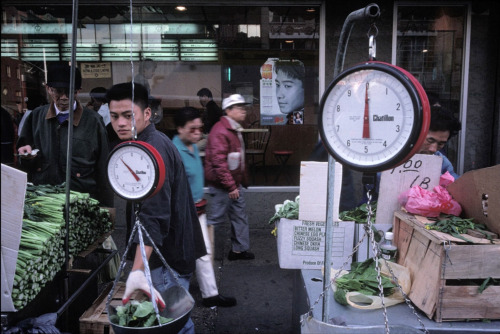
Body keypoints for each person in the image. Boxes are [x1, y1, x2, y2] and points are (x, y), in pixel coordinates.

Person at [106, 82, 206, 333]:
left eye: (128, 115)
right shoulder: (148, 142)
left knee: (170, 325)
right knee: (178, 322)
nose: (120, 123)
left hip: (165, 260)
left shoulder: (153, 150)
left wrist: (138, 270)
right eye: (114, 116)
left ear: (147, 114)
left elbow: (154, 216)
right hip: (173, 252)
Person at [17, 62, 113, 207]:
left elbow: (104, 169)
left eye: (69, 92)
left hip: (82, 203)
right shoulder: (36, 117)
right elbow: (23, 162)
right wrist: (26, 157)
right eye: (58, 91)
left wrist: (107, 208)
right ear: (49, 89)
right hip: (45, 202)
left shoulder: (93, 121)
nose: (63, 97)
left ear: (77, 91)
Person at [173, 106, 237, 308]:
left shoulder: (192, 146)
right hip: (184, 213)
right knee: (192, 254)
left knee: (203, 252)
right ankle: (180, 300)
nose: (198, 133)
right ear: (179, 129)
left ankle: (209, 295)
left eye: (199, 128)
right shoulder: (175, 152)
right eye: (192, 129)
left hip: (197, 210)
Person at [204, 94, 254, 261]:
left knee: (239, 216)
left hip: (233, 184)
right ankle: (202, 252)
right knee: (215, 219)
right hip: (222, 186)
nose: (243, 111)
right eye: (239, 108)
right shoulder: (221, 131)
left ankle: (239, 250)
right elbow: (219, 162)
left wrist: (237, 184)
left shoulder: (233, 128)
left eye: (243, 107)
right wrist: (231, 186)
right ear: (228, 110)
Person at [418, 104, 462, 179]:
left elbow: (454, 181)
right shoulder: (395, 157)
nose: (433, 149)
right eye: (430, 140)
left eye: (440, 144)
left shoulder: (442, 162)